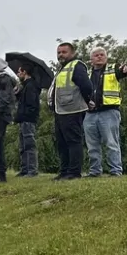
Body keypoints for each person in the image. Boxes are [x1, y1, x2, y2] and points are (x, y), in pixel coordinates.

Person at [49, 41, 96, 180]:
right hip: (61, 111)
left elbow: (87, 86)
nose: (61, 55)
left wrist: (88, 100)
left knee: (73, 142)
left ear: (72, 53)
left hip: (73, 109)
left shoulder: (77, 65)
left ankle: (74, 172)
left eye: (64, 52)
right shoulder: (62, 69)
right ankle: (64, 171)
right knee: (62, 143)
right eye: (59, 52)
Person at [85, 46, 127, 177]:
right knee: (92, 145)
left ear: (106, 57)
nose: (99, 57)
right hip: (90, 113)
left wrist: (124, 70)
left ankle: (115, 171)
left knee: (111, 142)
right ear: (91, 59)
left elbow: (122, 72)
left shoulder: (113, 69)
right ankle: (95, 171)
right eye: (96, 55)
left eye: (102, 55)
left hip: (109, 111)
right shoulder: (86, 73)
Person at [13, 61, 41, 177]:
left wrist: (26, 115)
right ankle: (25, 169)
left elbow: (31, 104)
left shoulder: (31, 86)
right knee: (23, 145)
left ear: (24, 72)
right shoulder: (25, 86)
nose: (18, 74)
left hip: (28, 119)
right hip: (23, 119)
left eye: (19, 72)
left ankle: (32, 170)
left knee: (29, 144)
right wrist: (17, 94)